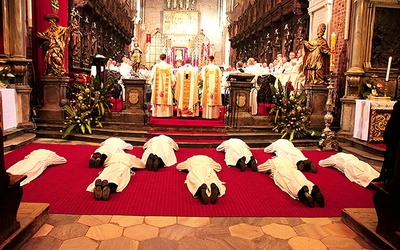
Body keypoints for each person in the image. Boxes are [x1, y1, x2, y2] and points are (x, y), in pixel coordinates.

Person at [257, 156, 325, 208]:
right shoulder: (287, 159)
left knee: (289, 183)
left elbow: (260, 168)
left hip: (281, 171)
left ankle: (302, 193)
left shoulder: (271, 161)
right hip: (294, 170)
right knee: (303, 180)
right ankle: (313, 189)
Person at [376, 101, 400, 183]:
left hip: (396, 140)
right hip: (395, 139)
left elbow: (392, 125)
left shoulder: (399, 105)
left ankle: (386, 179)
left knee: (392, 160)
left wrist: (388, 138)